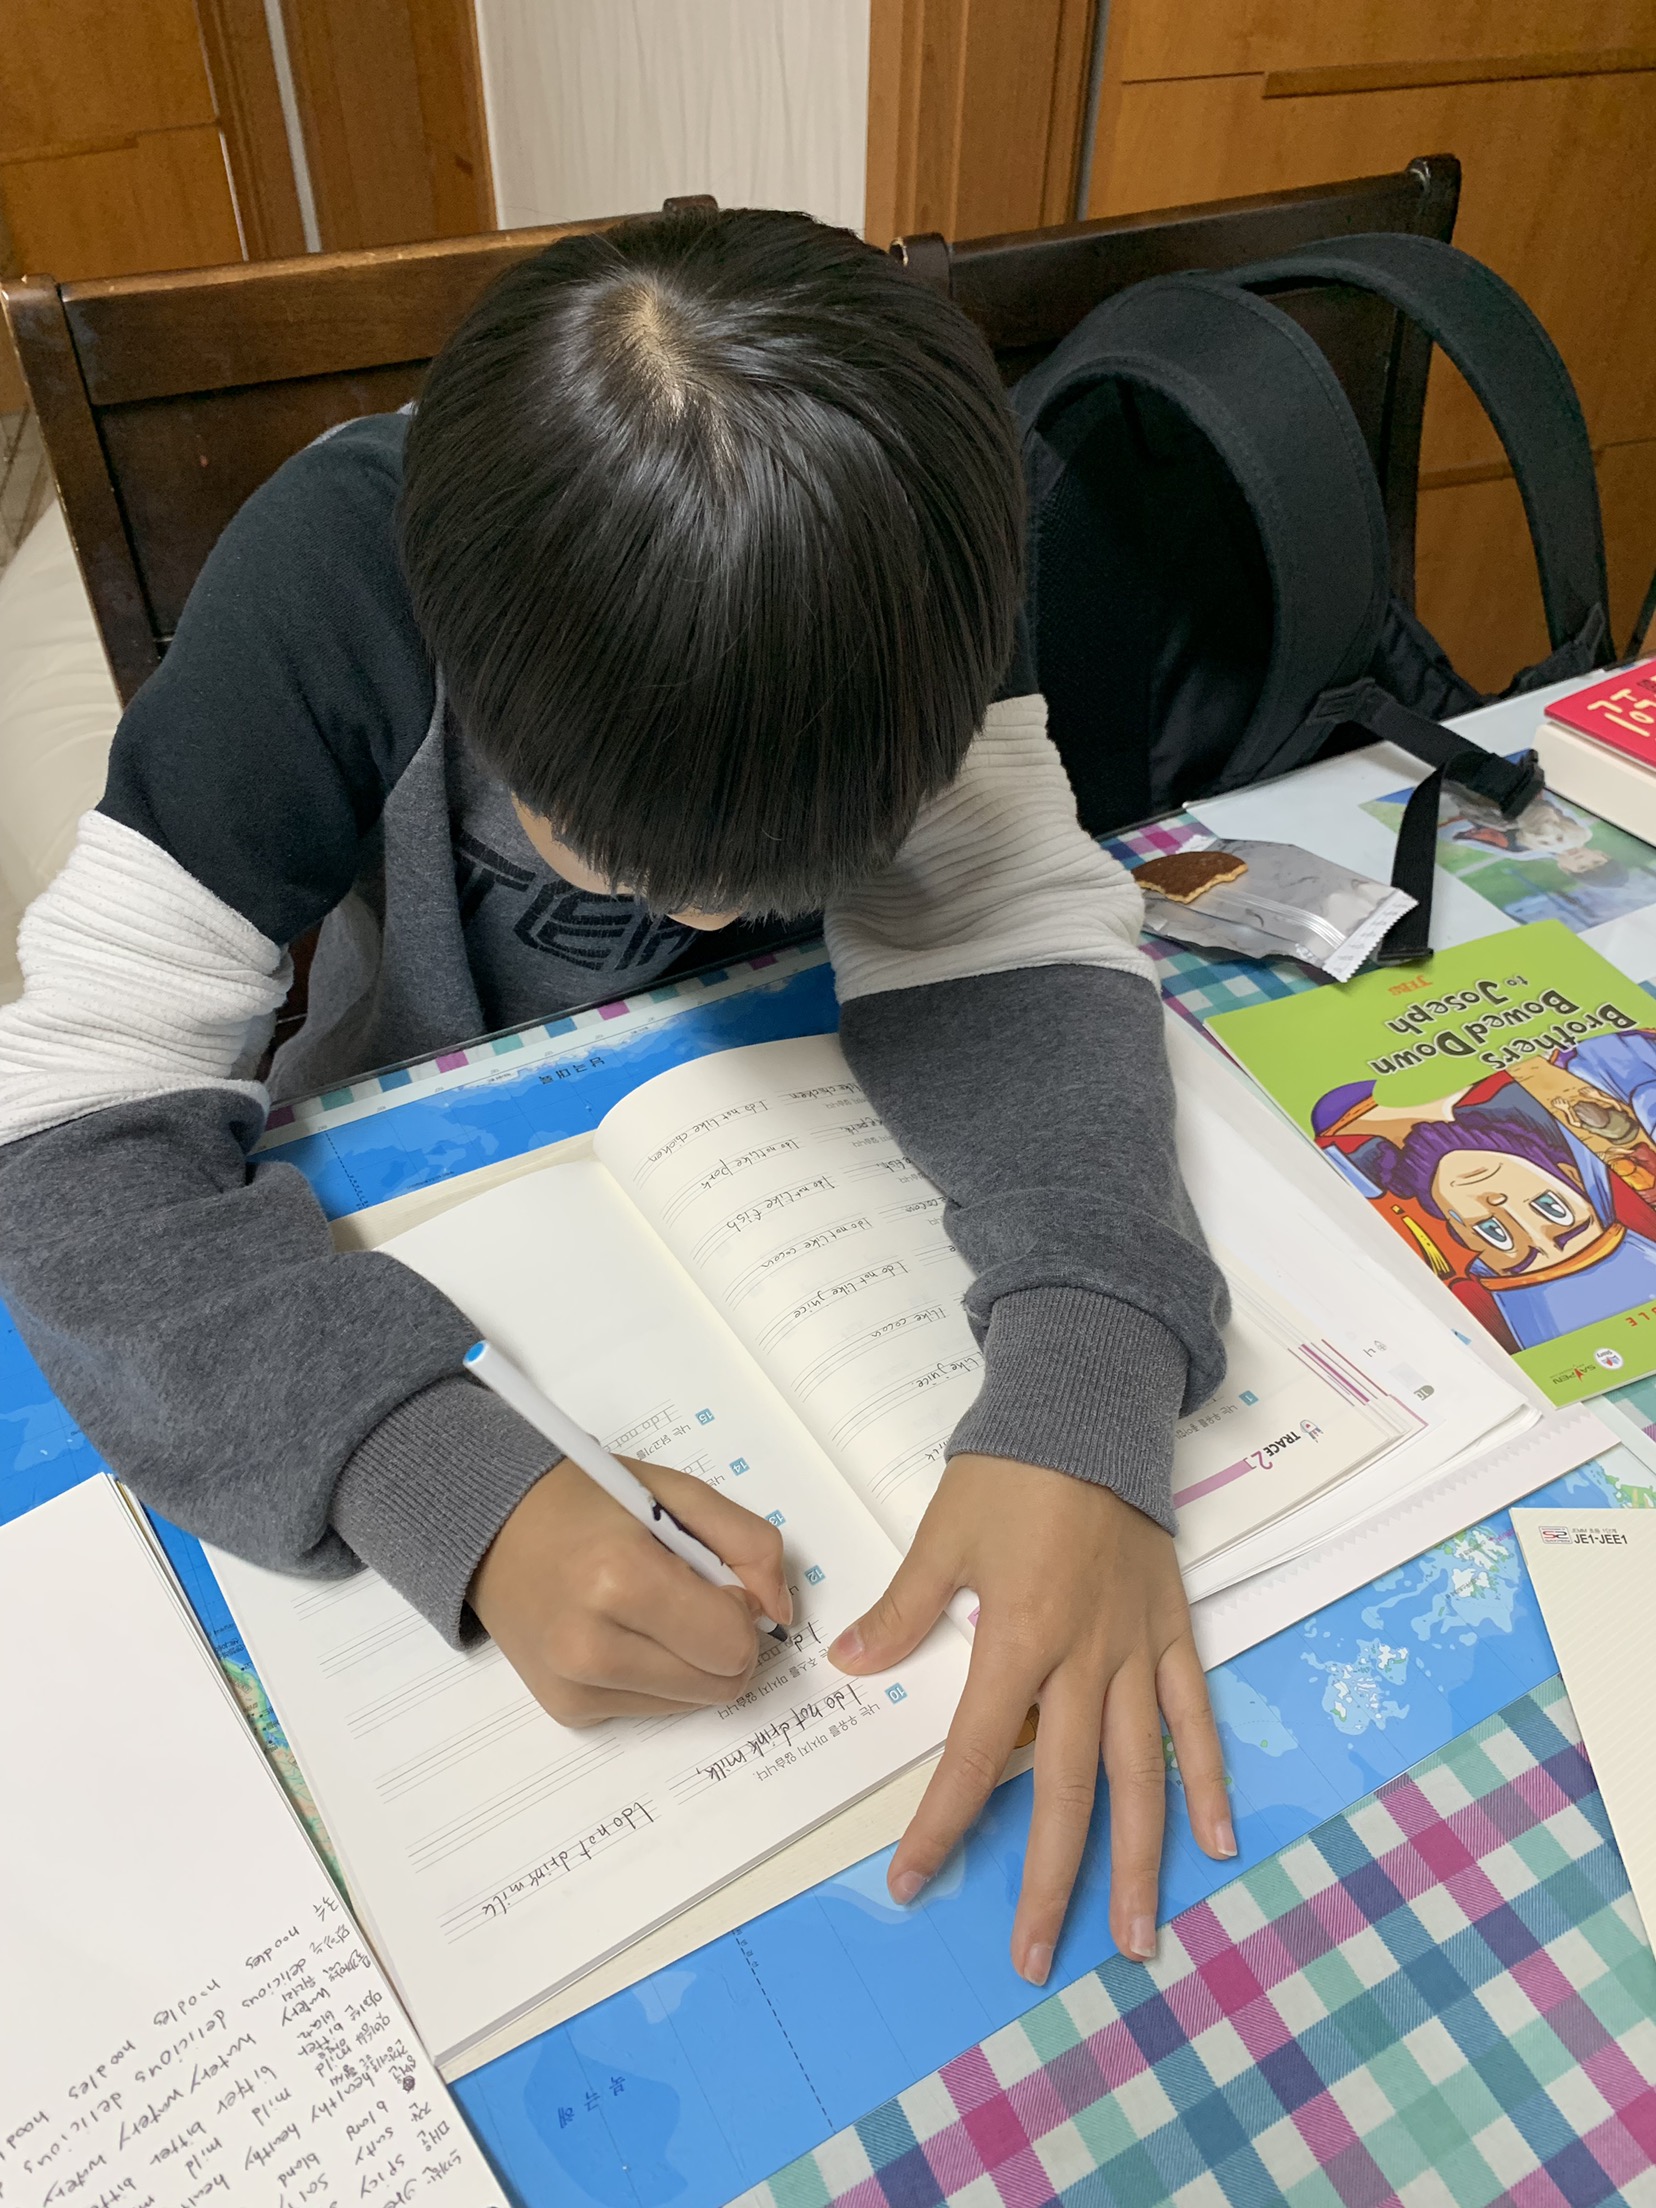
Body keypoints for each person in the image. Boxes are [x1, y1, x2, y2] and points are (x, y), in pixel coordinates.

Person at [0, 206, 1232, 1981]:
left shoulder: (917, 540)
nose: (709, 915)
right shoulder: (331, 584)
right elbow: (64, 1121)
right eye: (641, 867)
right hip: (420, 1137)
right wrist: (434, 1471)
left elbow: (1010, 922)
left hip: (763, 1154)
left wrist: (1089, 1361)